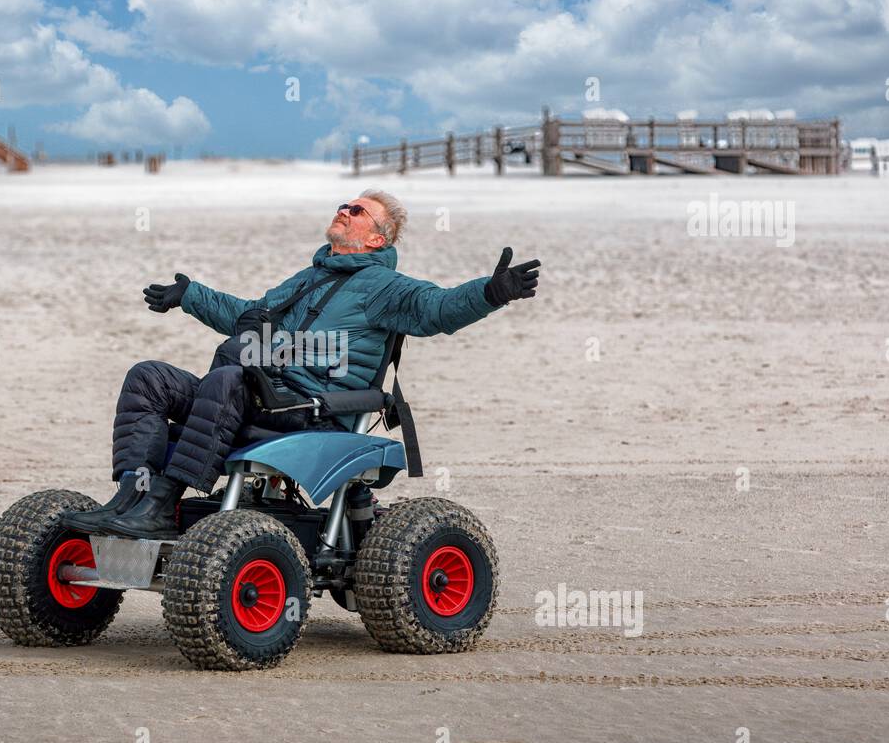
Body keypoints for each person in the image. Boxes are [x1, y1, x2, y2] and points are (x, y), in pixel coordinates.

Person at [66, 189, 540, 539]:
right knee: (149, 377)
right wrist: (190, 295)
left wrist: (490, 292)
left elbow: (437, 309)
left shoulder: (385, 287)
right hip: (261, 393)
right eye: (344, 204)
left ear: (377, 239)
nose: (344, 210)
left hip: (313, 407)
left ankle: (161, 506)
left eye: (358, 211)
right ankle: (131, 498)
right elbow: (250, 315)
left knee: (230, 373)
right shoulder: (309, 277)